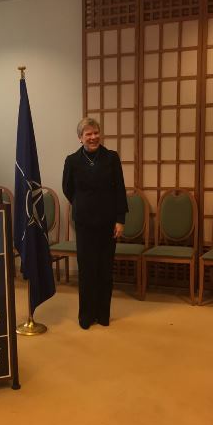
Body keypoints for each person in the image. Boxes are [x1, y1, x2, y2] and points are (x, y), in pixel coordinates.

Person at [62, 117, 128, 329]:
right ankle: (86, 316)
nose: (93, 137)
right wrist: (82, 204)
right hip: (84, 224)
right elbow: (67, 188)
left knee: (105, 271)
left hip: (108, 223)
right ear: (80, 138)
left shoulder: (111, 158)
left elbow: (119, 189)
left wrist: (120, 219)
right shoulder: (72, 161)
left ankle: (103, 314)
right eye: (88, 134)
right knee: (87, 270)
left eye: (96, 132)